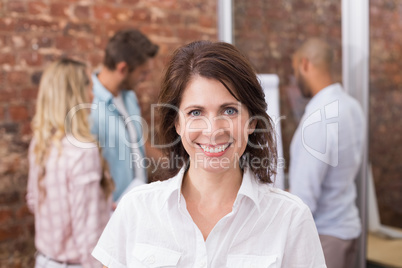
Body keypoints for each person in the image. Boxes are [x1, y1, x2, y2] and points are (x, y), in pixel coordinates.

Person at [92, 40, 326, 267]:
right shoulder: (136, 209)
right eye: (195, 113)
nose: (213, 130)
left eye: (230, 110)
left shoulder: (291, 218)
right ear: (177, 124)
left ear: (253, 121)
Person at [27, 58, 114, 268]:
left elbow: (33, 200)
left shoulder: (40, 142)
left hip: (45, 260)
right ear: (75, 93)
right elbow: (88, 231)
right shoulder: (83, 151)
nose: (93, 96)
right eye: (89, 88)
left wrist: (101, 206)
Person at [289, 38, 365, 268]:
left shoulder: (319, 118)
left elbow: (305, 197)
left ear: (305, 64)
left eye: (294, 70)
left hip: (324, 237)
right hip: (346, 229)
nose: (295, 78)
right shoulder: (351, 106)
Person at [90, 28, 159, 202]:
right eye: (142, 73)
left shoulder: (129, 96)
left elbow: (138, 141)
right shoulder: (87, 103)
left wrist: (178, 167)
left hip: (135, 202)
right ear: (123, 68)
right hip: (110, 211)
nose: (145, 78)